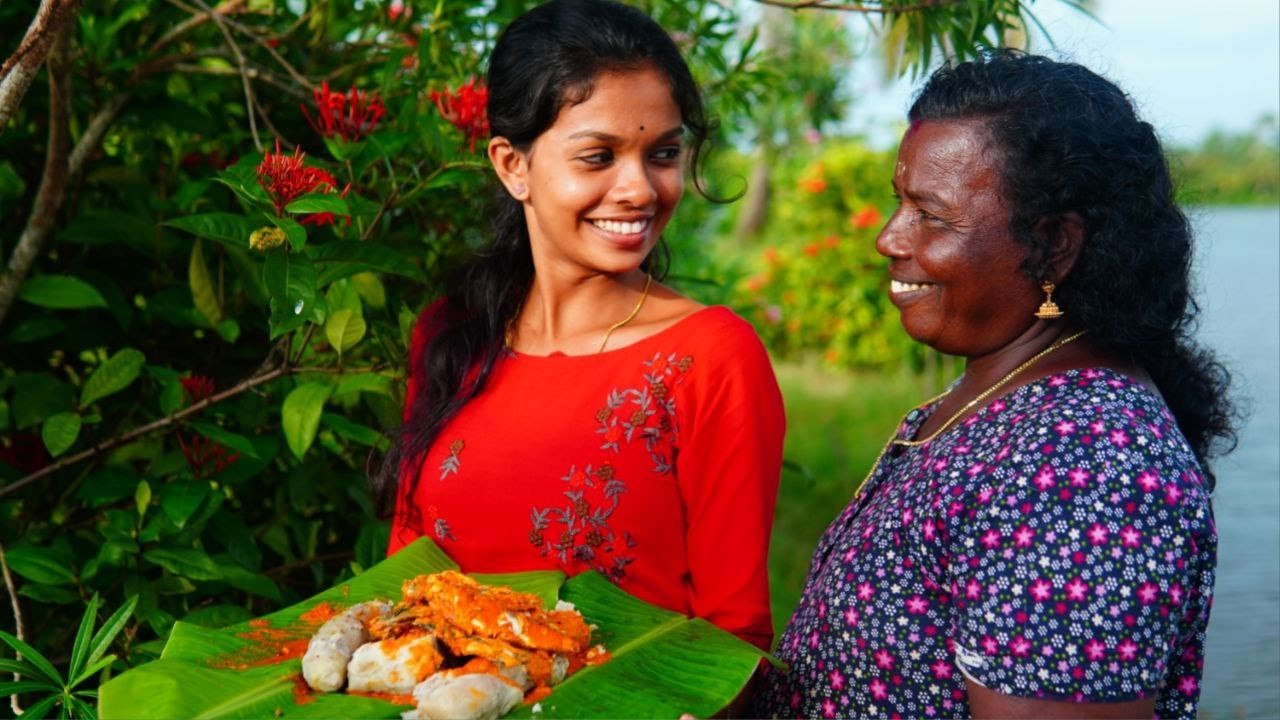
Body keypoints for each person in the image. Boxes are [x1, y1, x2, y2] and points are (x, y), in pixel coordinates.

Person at [753, 50, 1235, 719]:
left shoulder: (1083, 466)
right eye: (900, 203)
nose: (889, 239)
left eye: (932, 215)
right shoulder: (995, 406)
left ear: (1053, 245)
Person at [377, 0, 785, 652]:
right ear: (514, 167)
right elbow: (407, 576)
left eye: (663, 153)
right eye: (599, 156)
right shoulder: (451, 335)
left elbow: (732, 637)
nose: (640, 189)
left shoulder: (710, 358)